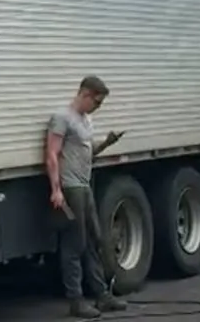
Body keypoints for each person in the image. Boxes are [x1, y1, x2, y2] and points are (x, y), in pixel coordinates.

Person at [45, 75, 129, 319]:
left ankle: (102, 295)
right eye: (97, 102)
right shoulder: (62, 118)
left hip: (85, 186)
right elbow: (52, 154)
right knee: (74, 244)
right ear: (84, 94)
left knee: (94, 241)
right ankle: (76, 300)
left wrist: (106, 143)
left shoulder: (85, 120)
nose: (98, 107)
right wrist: (56, 189)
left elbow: (87, 153)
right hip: (70, 188)